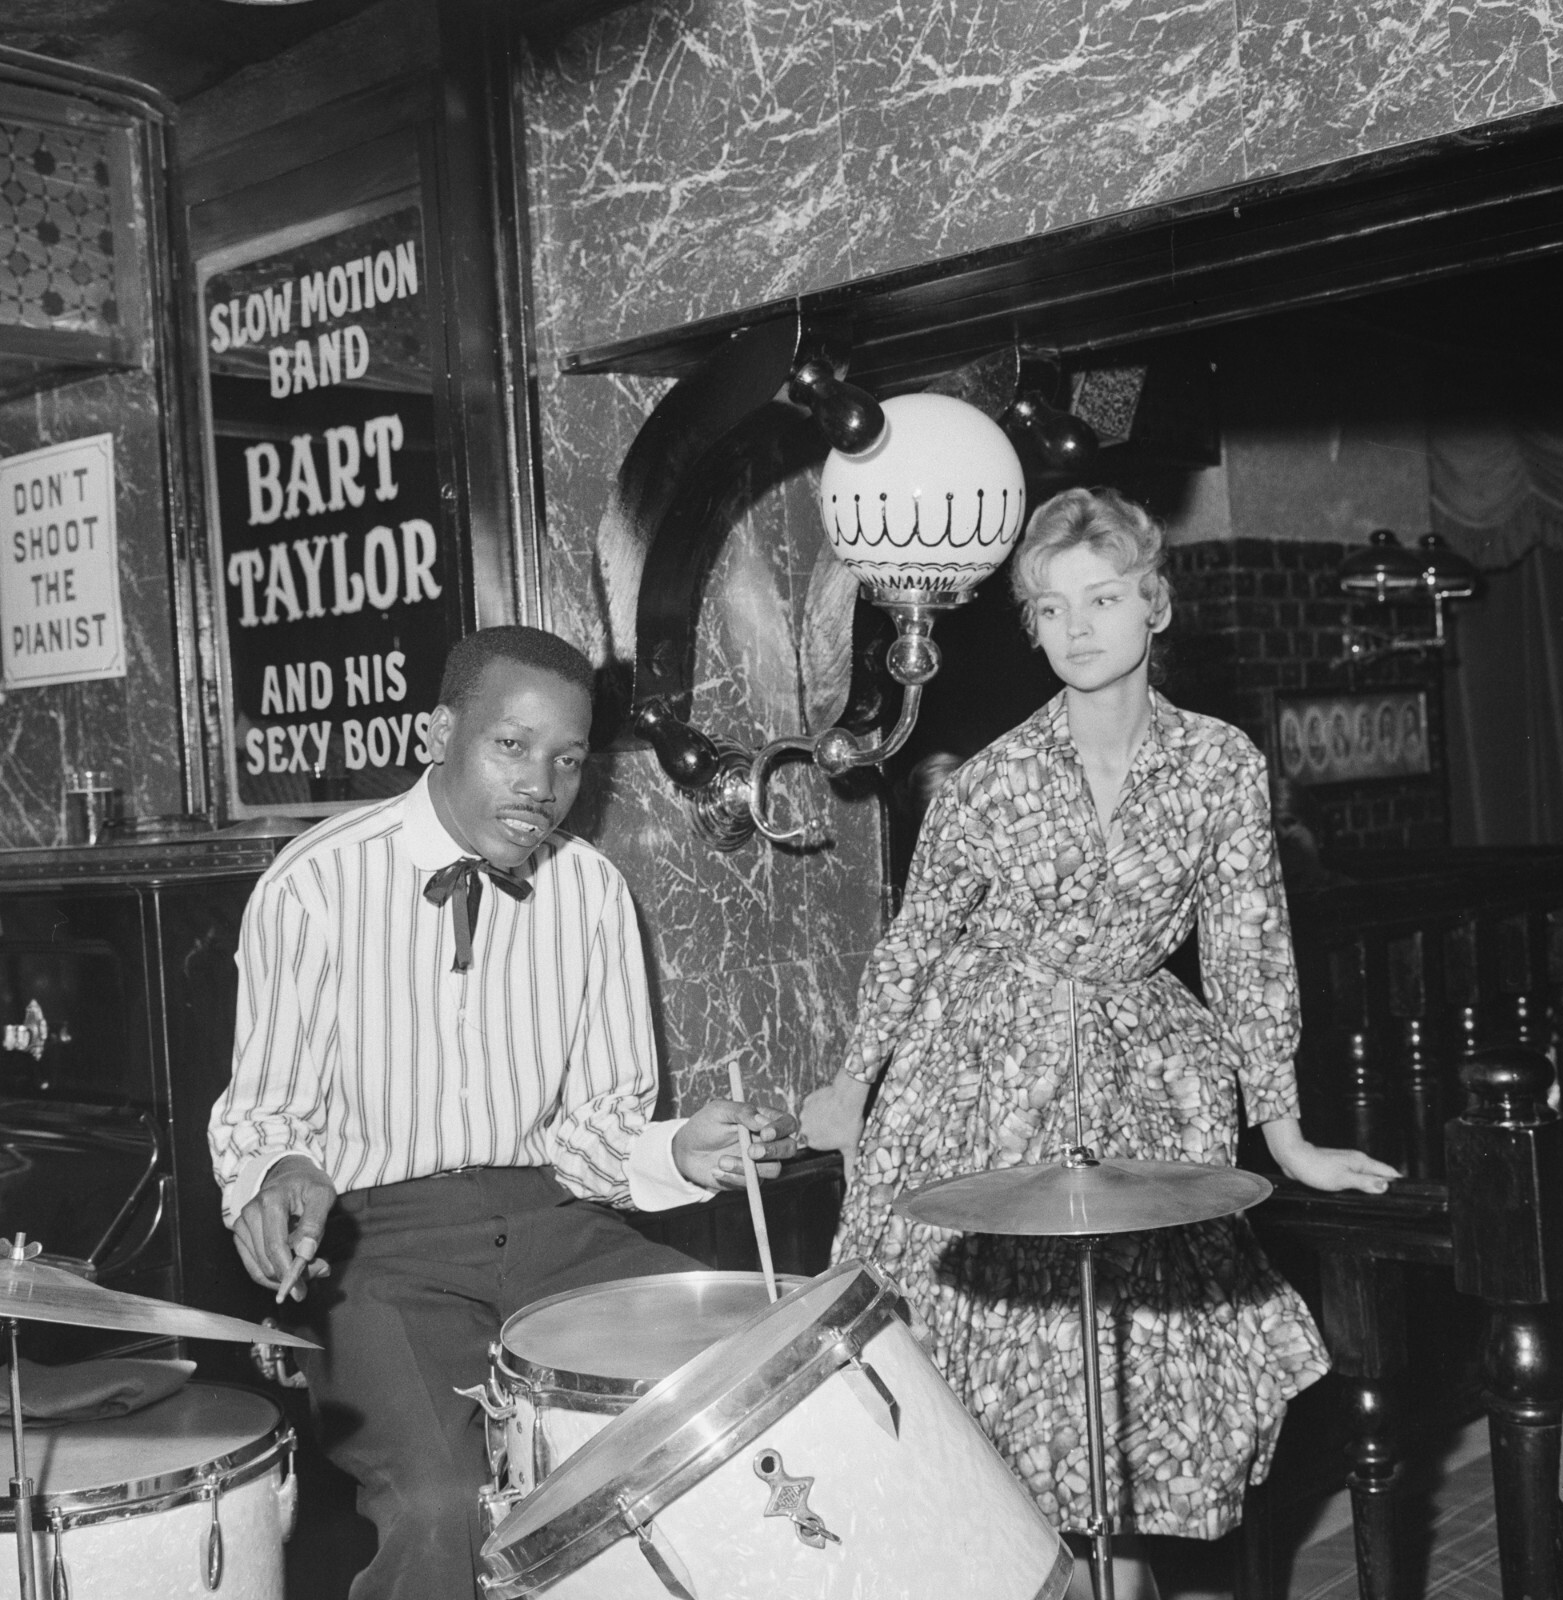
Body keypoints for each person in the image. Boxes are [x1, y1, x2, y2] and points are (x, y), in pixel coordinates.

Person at [803, 488, 1398, 1596]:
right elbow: (917, 940)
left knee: (1117, 1381)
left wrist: (1287, 1134)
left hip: (1142, 1081)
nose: (1077, 627)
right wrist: (849, 1083)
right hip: (982, 1083)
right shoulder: (988, 780)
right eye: (1049, 607)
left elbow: (1249, 950)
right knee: (990, 1386)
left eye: (1103, 598)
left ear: (1153, 606)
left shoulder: (1219, 764)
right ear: (1031, 628)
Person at [210, 625, 800, 1600]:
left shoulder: (593, 890)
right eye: (512, 746)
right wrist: (279, 1176)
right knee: (442, 1503)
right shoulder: (313, 884)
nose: (541, 785)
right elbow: (265, 1117)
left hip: (552, 1225)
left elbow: (595, 1127)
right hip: (376, 1247)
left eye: (568, 759)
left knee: (757, 1377)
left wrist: (682, 1151)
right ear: (440, 732)